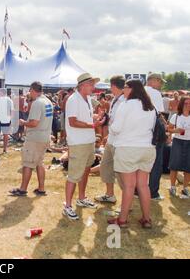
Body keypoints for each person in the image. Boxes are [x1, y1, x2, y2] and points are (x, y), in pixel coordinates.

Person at [108, 79, 156, 228]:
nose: (124, 90)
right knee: (143, 185)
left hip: (128, 148)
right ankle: (146, 218)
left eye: (126, 87)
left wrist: (110, 124)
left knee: (129, 186)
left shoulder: (126, 105)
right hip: (147, 148)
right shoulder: (150, 107)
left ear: (131, 89)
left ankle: (122, 220)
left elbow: (116, 128)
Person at [63, 73, 105, 220]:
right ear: (83, 85)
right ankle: (67, 206)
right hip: (78, 142)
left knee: (86, 170)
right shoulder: (73, 99)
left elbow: (84, 118)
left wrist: (95, 118)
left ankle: (81, 198)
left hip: (88, 140)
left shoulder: (86, 98)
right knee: (74, 175)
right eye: (92, 84)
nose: (94, 87)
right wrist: (93, 124)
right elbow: (73, 122)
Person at [9, 81, 53, 197]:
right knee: (39, 163)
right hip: (44, 137)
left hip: (35, 138)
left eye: (30, 90)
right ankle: (41, 188)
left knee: (28, 163)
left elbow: (34, 123)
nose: (29, 93)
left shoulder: (37, 103)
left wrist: (23, 122)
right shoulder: (47, 101)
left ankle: (23, 189)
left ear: (33, 90)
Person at [95, 75, 126, 204]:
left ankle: (127, 201)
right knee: (106, 166)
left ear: (113, 86)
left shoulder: (125, 100)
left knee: (122, 172)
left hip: (120, 141)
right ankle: (109, 194)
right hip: (112, 139)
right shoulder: (115, 99)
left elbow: (122, 122)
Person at [144, 73, 166, 201]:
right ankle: (153, 192)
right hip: (154, 129)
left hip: (141, 131)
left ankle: (137, 190)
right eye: (160, 82)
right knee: (156, 161)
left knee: (141, 161)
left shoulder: (139, 90)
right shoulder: (155, 93)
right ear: (153, 81)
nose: (161, 85)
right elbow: (159, 113)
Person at [168, 96, 190, 198]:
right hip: (178, 141)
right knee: (174, 165)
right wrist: (176, 131)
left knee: (188, 167)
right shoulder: (176, 116)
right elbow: (169, 129)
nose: (188, 105)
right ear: (181, 104)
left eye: (189, 103)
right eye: (186, 103)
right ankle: (172, 187)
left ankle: (185, 188)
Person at [0, 88, 14, 154]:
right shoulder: (10, 100)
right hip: (7, 119)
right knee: (5, 135)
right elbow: (12, 111)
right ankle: (5, 149)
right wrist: (10, 119)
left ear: (1, 93)